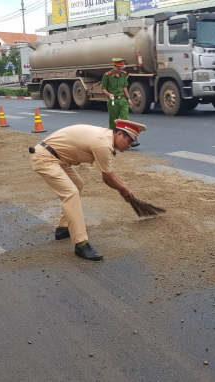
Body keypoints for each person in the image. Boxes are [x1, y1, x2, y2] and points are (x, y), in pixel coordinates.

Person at [29, 120, 146, 261]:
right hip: (45, 157)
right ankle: (81, 243)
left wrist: (124, 188)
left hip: (56, 157)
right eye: (129, 141)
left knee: (77, 184)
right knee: (70, 193)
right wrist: (122, 189)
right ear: (119, 134)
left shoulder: (105, 139)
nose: (129, 146)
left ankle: (63, 228)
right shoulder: (102, 144)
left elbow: (108, 171)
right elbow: (107, 177)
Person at [101, 58, 140, 147]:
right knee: (113, 122)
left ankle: (129, 140)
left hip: (122, 100)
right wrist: (109, 94)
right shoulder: (107, 76)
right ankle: (111, 140)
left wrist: (128, 98)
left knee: (125, 120)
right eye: (119, 68)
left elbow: (124, 87)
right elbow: (103, 88)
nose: (120, 70)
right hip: (113, 101)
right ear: (114, 66)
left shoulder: (123, 75)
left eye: (122, 68)